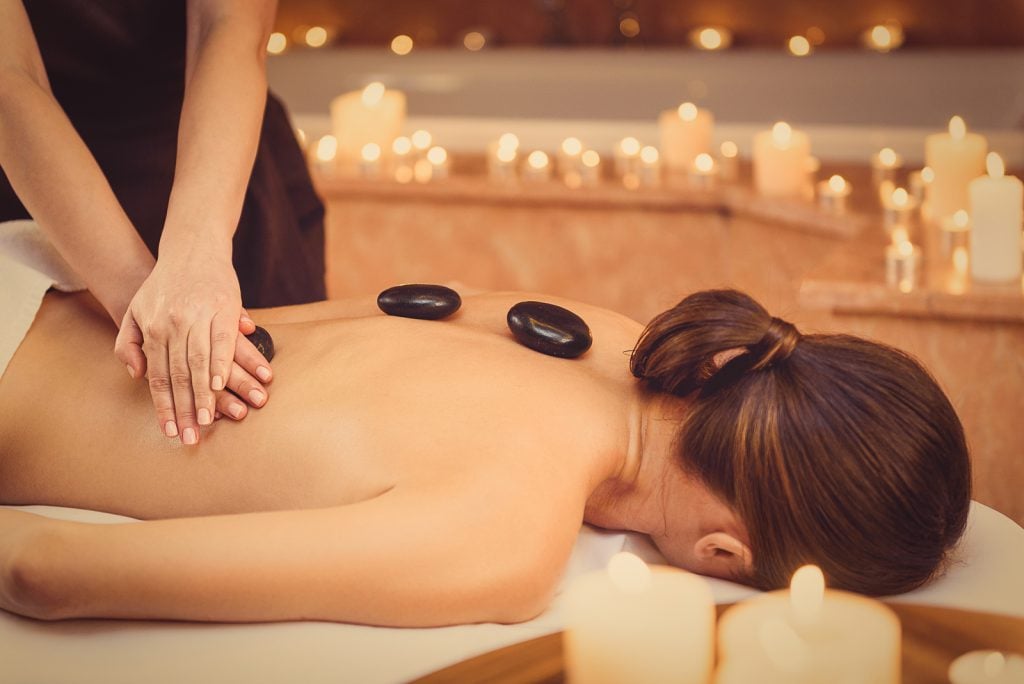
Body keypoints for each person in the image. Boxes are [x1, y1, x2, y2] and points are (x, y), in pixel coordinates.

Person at [0, 285, 971, 626]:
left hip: (34, 279)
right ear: (724, 554)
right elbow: (43, 573)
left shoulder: (605, 334)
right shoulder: (504, 532)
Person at [0, 0, 326, 447]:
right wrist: (145, 302)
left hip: (218, 160)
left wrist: (198, 251)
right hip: (43, 184)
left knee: (292, 420)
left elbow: (228, 25)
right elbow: (9, 80)